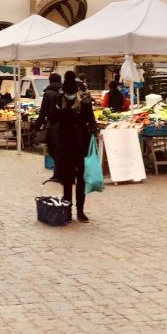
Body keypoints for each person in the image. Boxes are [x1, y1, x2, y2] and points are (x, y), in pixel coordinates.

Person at [54, 72, 97, 222]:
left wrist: (93, 132)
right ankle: (68, 210)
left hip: (80, 142)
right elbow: (54, 119)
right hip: (67, 143)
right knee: (68, 178)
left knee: (81, 177)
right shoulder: (59, 97)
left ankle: (80, 210)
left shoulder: (84, 97)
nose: (70, 94)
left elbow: (90, 117)